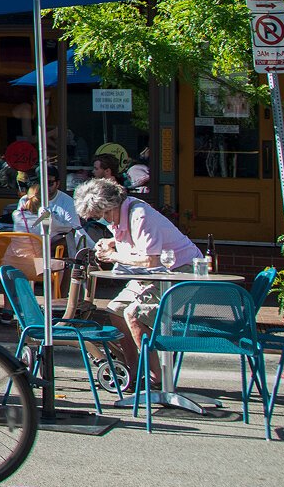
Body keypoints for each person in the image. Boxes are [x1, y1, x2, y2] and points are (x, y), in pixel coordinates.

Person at [74, 177, 200, 386]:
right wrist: (111, 241)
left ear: (113, 204)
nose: (106, 220)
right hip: (155, 274)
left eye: (105, 214)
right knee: (115, 309)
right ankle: (134, 371)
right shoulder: (123, 212)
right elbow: (131, 238)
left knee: (133, 315)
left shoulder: (139, 215)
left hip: (179, 273)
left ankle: (156, 378)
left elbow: (151, 259)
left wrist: (113, 256)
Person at [11, 165, 79, 240]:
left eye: (49, 183)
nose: (45, 186)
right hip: (33, 247)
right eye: (41, 182)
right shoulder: (25, 199)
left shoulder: (68, 201)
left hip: (49, 247)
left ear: (58, 183)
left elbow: (74, 230)